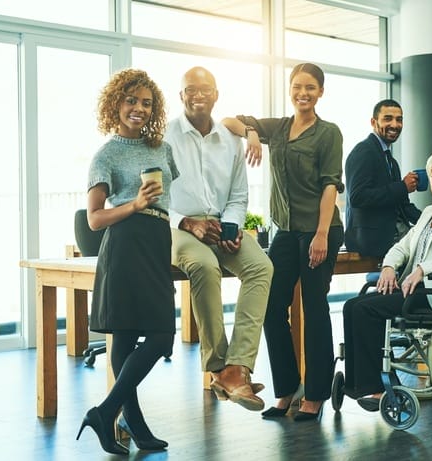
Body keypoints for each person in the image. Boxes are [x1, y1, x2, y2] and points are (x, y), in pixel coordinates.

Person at [222, 63, 345, 421]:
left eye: (310, 87)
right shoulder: (278, 128)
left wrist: (321, 234)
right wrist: (252, 134)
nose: (302, 93)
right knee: (271, 307)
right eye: (297, 87)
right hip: (285, 232)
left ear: (320, 92)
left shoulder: (328, 133)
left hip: (318, 229)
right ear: (290, 90)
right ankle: (287, 389)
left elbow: (329, 186)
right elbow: (228, 120)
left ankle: (316, 395)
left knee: (314, 307)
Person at [77, 69, 178, 454]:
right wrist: (135, 203)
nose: (138, 108)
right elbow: (94, 218)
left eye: (146, 103)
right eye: (131, 100)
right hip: (125, 242)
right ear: (116, 103)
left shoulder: (162, 149)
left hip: (156, 240)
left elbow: (168, 200)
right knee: (149, 335)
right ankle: (116, 416)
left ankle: (120, 419)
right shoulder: (106, 155)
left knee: (146, 334)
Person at [165, 66, 273, 412]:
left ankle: (237, 367)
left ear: (216, 94)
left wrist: (231, 226)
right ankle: (217, 366)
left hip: (220, 224)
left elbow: (239, 195)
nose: (198, 94)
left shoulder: (231, 140)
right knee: (203, 265)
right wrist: (188, 223)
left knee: (261, 267)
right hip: (177, 226)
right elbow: (156, 198)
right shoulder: (164, 138)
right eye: (190, 89)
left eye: (205, 88)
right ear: (181, 96)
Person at [342, 150, 432, 411]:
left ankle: (375, 387)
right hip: (414, 289)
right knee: (352, 305)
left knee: (365, 309)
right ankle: (357, 385)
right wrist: (387, 266)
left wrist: (423, 268)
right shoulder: (430, 212)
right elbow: (402, 246)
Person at [344, 99, 422, 257]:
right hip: (372, 239)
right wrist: (402, 187)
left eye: (399, 120)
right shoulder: (363, 152)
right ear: (373, 122)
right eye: (388, 118)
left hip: (393, 235)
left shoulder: (390, 161)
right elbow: (358, 197)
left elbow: (403, 205)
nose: (394, 124)